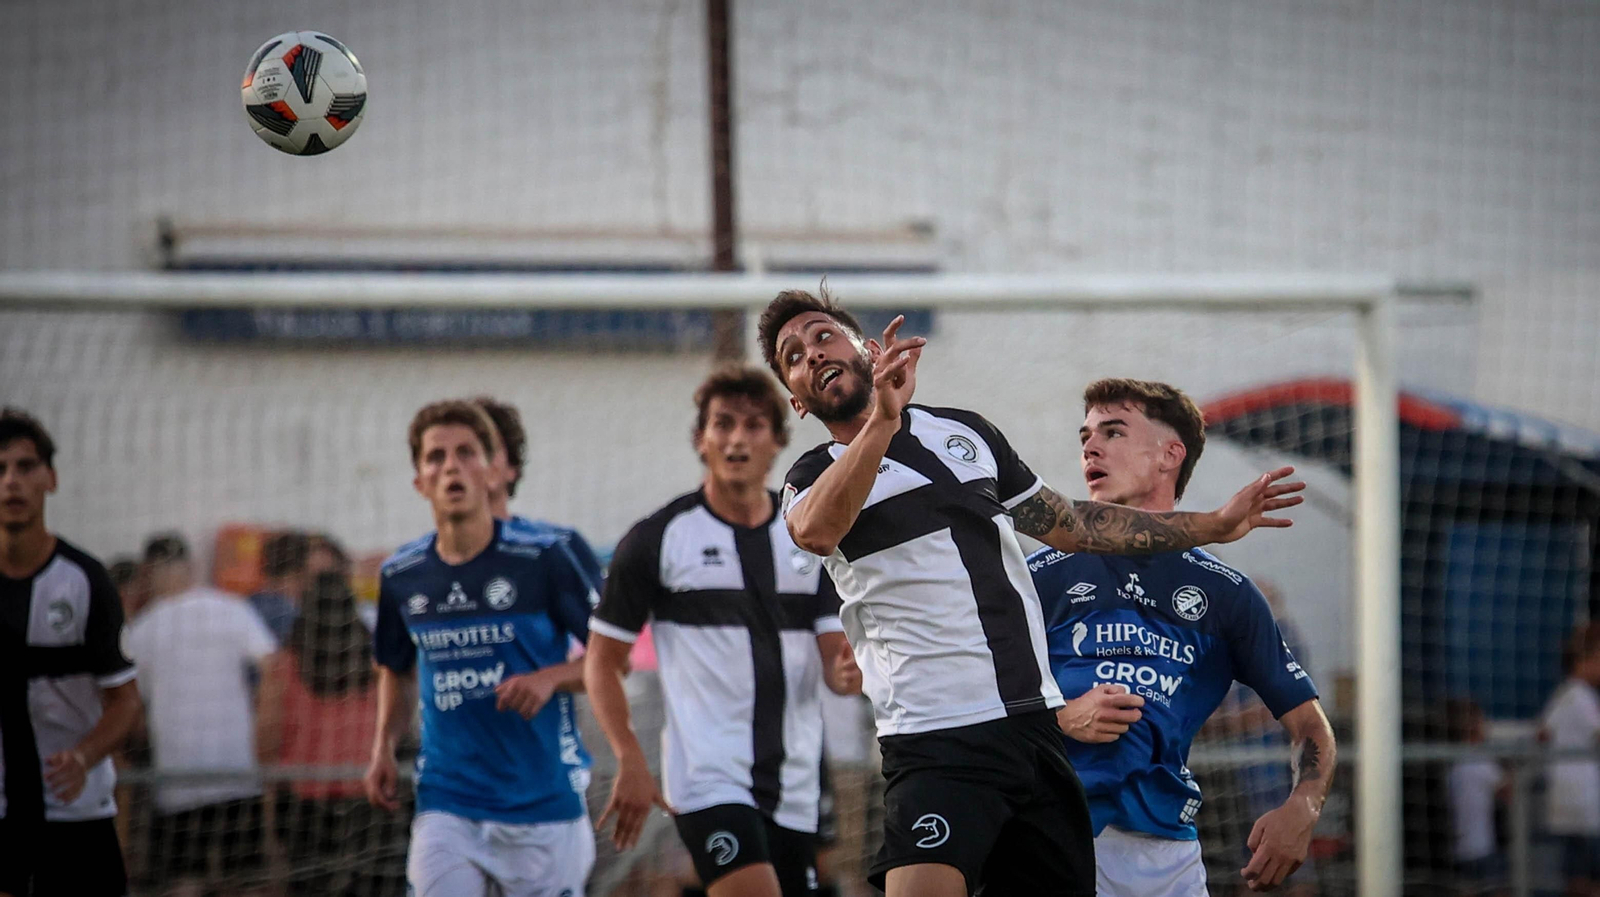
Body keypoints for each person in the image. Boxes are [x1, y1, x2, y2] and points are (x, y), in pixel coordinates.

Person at [758, 288, 1304, 897]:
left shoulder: (964, 432)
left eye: (823, 335)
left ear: (865, 348)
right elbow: (817, 531)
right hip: (938, 737)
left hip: (1035, 736)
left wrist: (1212, 525)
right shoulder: (812, 475)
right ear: (797, 401)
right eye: (793, 356)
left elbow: (1072, 524)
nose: (812, 353)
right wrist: (883, 422)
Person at [1028, 378, 1336, 895]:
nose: (1090, 447)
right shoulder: (1037, 575)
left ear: (1170, 455)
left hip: (1166, 857)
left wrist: (1303, 807)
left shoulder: (1228, 593)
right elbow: (968, 702)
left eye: (1113, 432)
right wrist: (1060, 717)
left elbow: (1310, 724)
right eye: (1085, 436)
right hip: (1044, 835)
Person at [586, 367, 862, 897]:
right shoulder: (657, 539)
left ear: (777, 441)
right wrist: (628, 755)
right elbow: (601, 661)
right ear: (700, 439)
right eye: (723, 424)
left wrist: (851, 673)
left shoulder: (810, 535)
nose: (738, 439)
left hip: (796, 783)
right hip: (706, 779)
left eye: (754, 425)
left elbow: (836, 659)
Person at [364, 400, 604, 897]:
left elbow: (611, 658)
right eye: (436, 457)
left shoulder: (546, 554)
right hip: (447, 802)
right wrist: (383, 745)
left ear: (496, 470)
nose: (451, 467)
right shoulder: (402, 575)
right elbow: (394, 669)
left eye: (466, 453)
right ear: (418, 481)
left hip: (542, 801)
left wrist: (549, 678)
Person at [0, 408, 142, 897]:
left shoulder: (85, 581)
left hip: (73, 811)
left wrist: (84, 756)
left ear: (51, 479)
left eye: (25, 467)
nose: (11, 482)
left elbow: (126, 699)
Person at [123, 532, 279, 897]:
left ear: (149, 572)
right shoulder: (229, 608)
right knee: (245, 879)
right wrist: (263, 726)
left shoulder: (142, 629)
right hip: (234, 769)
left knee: (185, 880)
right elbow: (271, 666)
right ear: (191, 566)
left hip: (177, 777)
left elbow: (128, 703)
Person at [259, 569, 401, 897]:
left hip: (305, 802)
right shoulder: (378, 664)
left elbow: (267, 738)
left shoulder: (283, 666)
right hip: (370, 797)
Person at [1539, 622, 1600, 897]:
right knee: (1587, 877)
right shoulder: (1581, 696)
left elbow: (1542, 733)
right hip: (1582, 804)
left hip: (1565, 803)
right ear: (1585, 659)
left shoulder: (1563, 694)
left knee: (1576, 874)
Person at [1443, 697, 1507, 896]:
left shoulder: (1452, 758)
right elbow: (1507, 791)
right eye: (1482, 721)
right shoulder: (1480, 759)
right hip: (1481, 846)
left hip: (1459, 846)